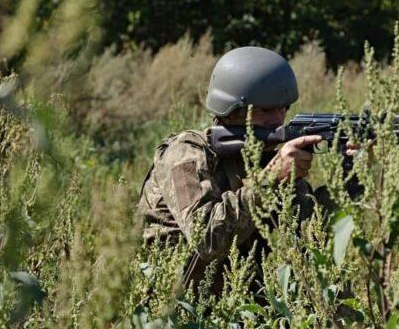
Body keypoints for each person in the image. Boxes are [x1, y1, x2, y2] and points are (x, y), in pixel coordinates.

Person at [137, 46, 327, 292]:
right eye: (265, 110)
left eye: (283, 108)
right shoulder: (184, 154)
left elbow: (312, 231)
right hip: (169, 306)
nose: (278, 120)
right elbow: (205, 239)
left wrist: (350, 175)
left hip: (232, 302)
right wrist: (270, 179)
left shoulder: (263, 154)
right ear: (232, 112)